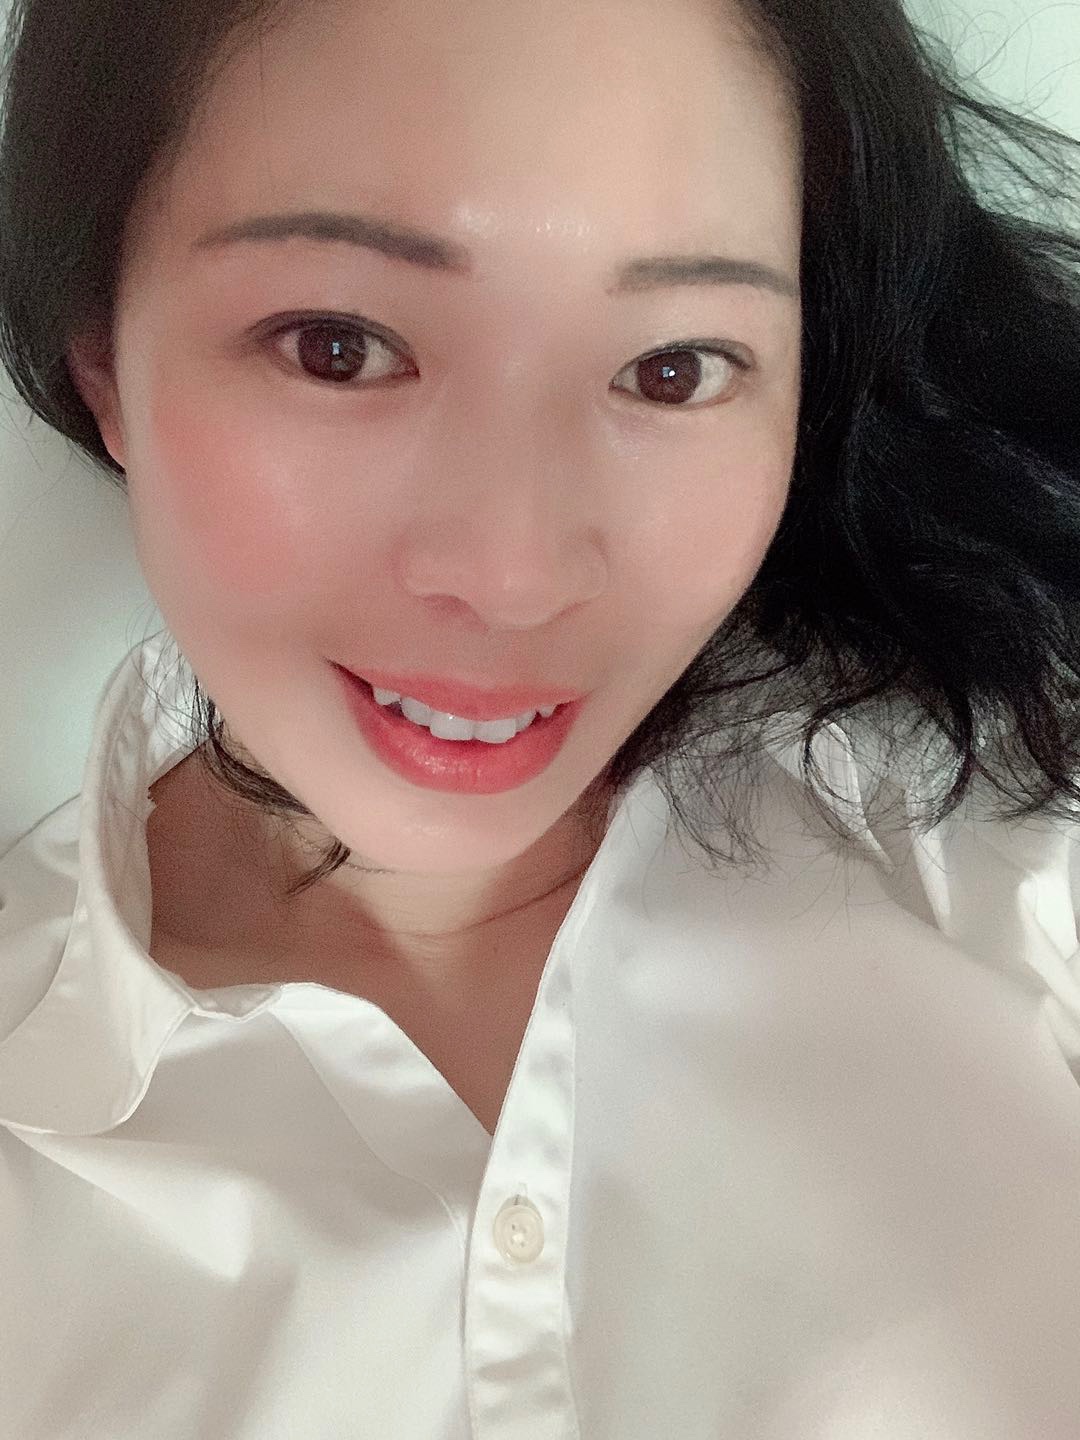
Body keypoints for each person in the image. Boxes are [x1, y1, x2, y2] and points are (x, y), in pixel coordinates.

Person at [1, 0, 1080, 1432]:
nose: (513, 578)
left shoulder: (1016, 857)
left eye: (673, 369)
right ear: (102, 361)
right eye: (338, 346)